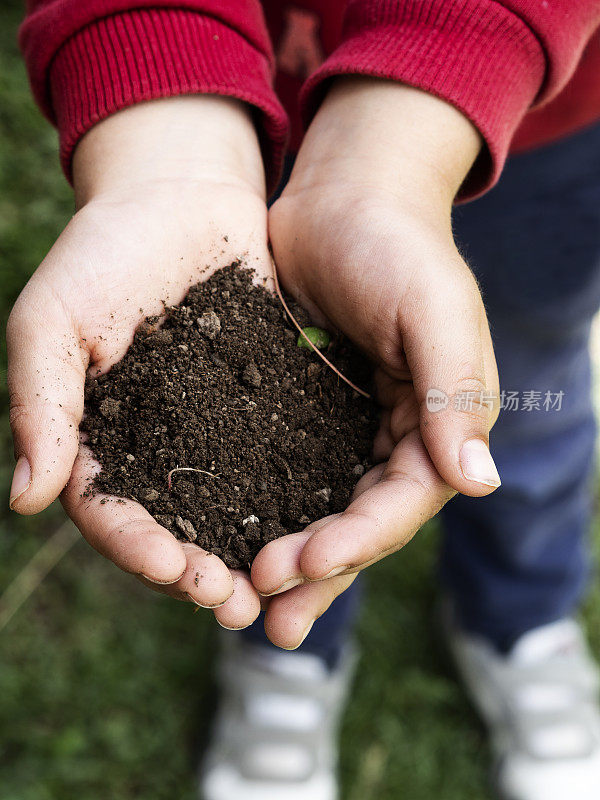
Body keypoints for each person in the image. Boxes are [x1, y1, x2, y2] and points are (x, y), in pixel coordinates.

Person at [10, 1, 600, 798]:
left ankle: (522, 616)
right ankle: (285, 653)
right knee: (306, 551)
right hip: (231, 98)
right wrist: (160, 147)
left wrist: (397, 150)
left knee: (527, 404)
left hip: (543, 123)